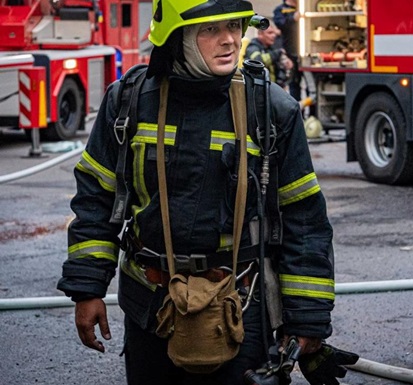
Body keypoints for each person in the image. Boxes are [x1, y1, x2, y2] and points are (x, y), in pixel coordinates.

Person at [56, 0, 337, 384]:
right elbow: (95, 200)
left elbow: (304, 220)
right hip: (149, 307)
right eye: (210, 30)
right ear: (177, 37)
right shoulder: (129, 102)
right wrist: (87, 289)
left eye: (235, 26)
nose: (229, 41)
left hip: (238, 308)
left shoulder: (271, 110)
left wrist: (307, 321)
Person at [245, 21, 294, 90]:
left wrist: (287, 64)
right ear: (260, 34)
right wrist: (277, 54)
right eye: (270, 33)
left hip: (272, 88)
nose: (274, 35)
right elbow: (258, 61)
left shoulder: (271, 48)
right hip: (257, 90)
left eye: (274, 33)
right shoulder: (253, 47)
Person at [273, 0, 301, 101]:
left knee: (311, 85)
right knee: (293, 84)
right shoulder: (280, 10)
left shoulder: (303, 8)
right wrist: (293, 18)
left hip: (305, 53)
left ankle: (311, 112)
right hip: (290, 53)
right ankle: (296, 110)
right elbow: (281, 23)